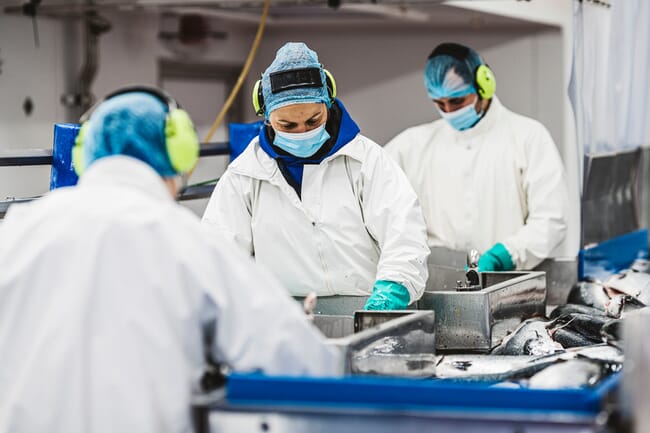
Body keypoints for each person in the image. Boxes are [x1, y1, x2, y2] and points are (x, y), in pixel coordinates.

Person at [0, 87, 340, 433]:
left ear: (85, 153)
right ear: (180, 153)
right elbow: (302, 362)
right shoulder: (188, 242)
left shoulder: (15, 231)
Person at [202, 42, 429, 310]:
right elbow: (218, 254)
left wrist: (391, 292)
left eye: (313, 121)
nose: (301, 132)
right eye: (287, 125)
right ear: (265, 116)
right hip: (284, 318)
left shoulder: (366, 161)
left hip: (367, 310)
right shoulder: (245, 174)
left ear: (328, 103)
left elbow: (404, 236)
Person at [385, 42, 568, 271]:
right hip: (440, 282)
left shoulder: (528, 137)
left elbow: (551, 220)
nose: (449, 111)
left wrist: (504, 255)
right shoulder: (412, 145)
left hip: (508, 282)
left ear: (484, 86)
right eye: (440, 104)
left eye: (457, 101)